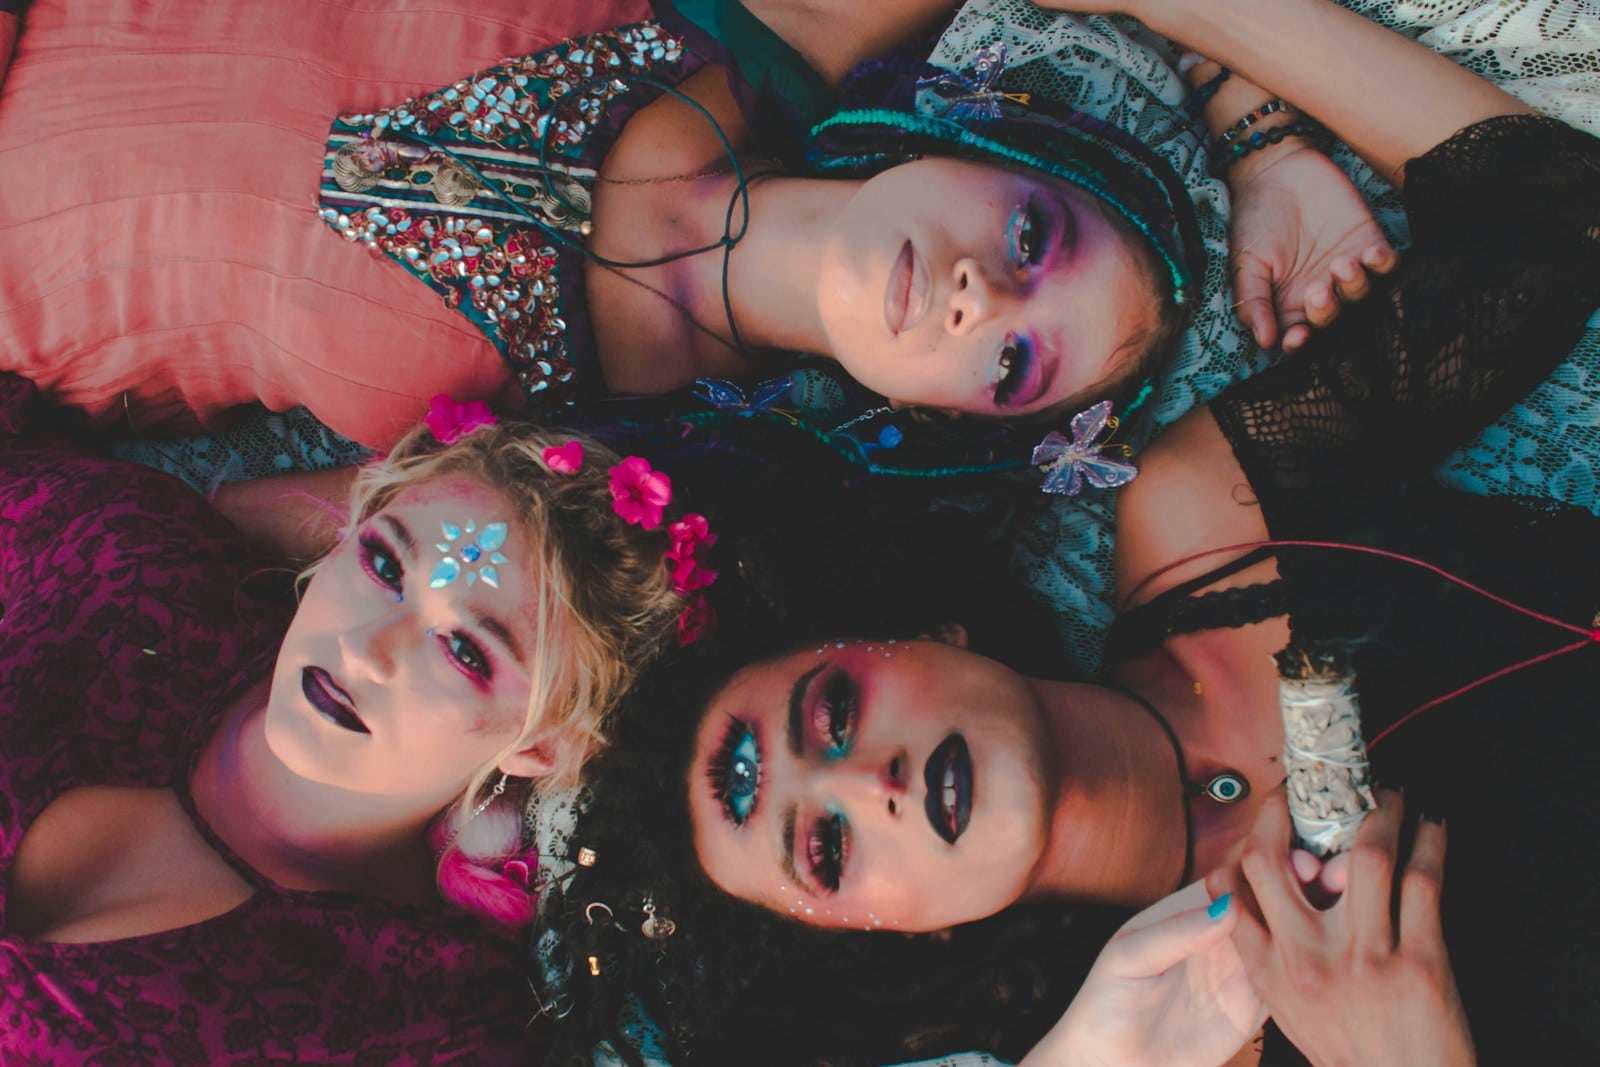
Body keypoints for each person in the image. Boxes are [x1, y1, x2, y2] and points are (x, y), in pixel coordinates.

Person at [548, 7, 1600, 1062]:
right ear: (906, 933)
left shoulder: (1204, 514)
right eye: (824, 847)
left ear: (923, 632)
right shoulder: (1209, 1040)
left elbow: (1547, 216)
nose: (869, 782)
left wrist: (1194, 24)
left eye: (830, 713)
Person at [0, 0, 1411, 455]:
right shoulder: (760, 33)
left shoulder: (603, 475)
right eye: (1038, 238)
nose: (984, 295)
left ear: (927, 416)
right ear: (989, 144)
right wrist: (1257, 127)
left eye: (1013, 365)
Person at [0, 376, 698, 1061]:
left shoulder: (427, 1020)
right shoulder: (135, 567)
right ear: (340, 539)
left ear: (543, 746)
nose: (365, 648)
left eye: (463, 649)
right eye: (384, 562)